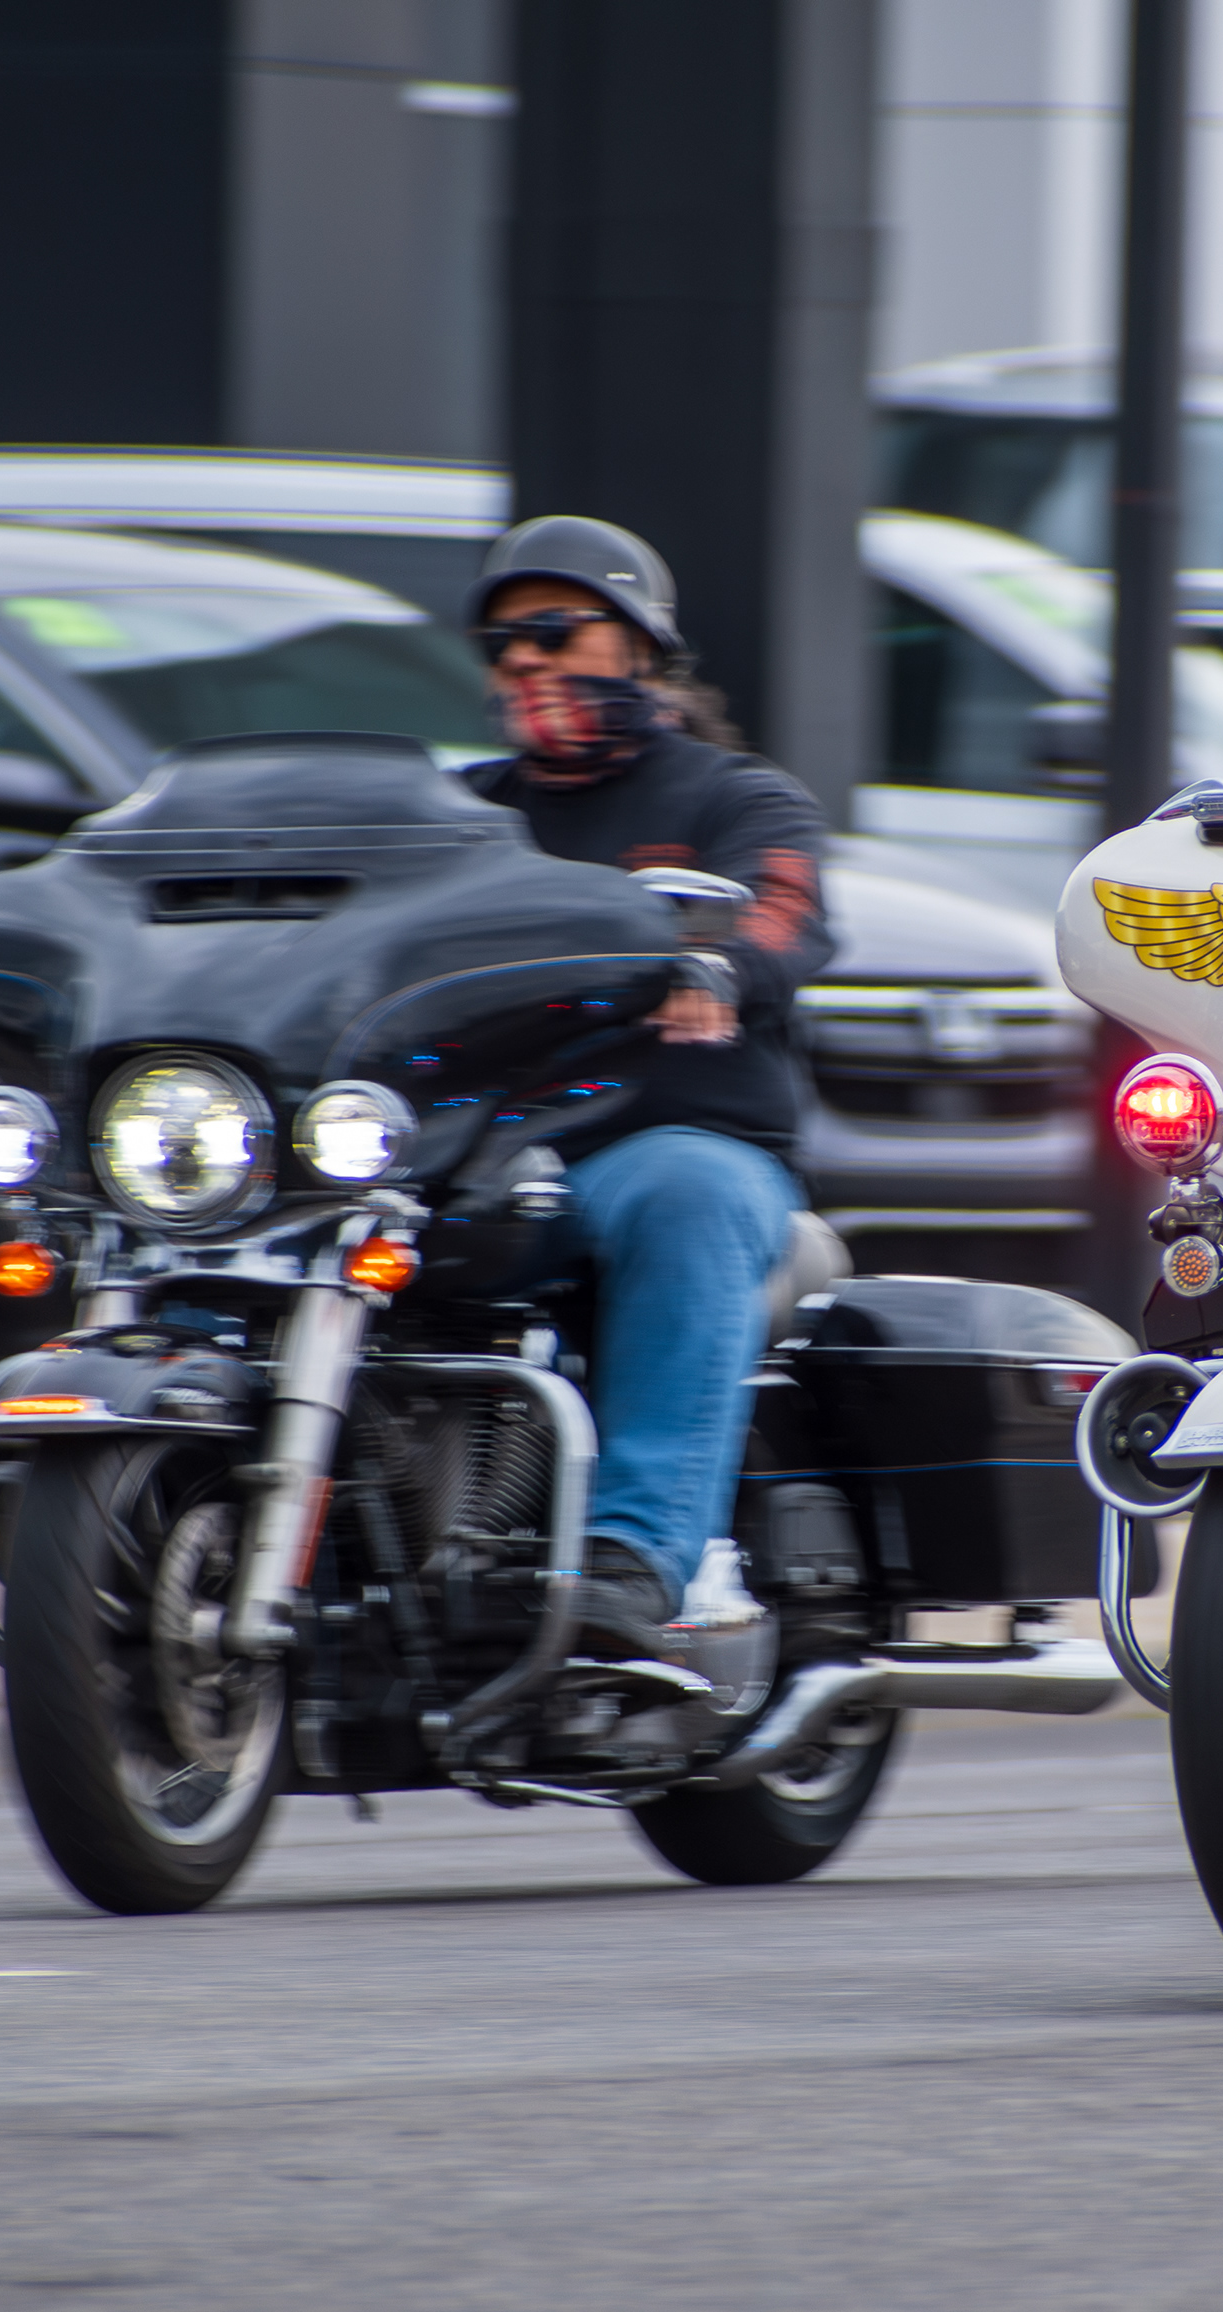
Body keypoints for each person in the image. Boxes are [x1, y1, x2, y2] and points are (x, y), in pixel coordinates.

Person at [456, 515, 836, 1685]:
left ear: (638, 647)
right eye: (502, 640)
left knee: (683, 1187)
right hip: (482, 1159)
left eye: (554, 630)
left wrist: (714, 963)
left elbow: (785, 912)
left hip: (663, 1147)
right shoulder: (459, 817)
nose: (523, 659)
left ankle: (633, 1561)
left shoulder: (732, 796)